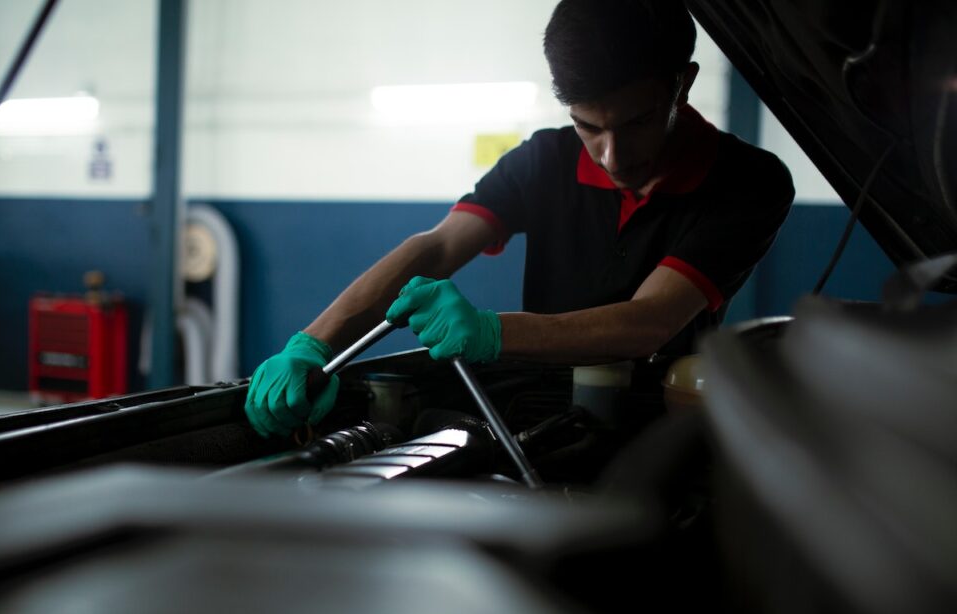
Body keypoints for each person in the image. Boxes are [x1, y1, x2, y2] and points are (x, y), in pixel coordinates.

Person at [245, 0, 795, 438]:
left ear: (684, 83)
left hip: (663, 431)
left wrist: (491, 331)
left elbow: (649, 320)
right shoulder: (544, 160)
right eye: (588, 127)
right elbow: (437, 249)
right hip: (536, 418)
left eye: (637, 122)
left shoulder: (748, 182)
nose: (613, 157)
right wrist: (313, 343)